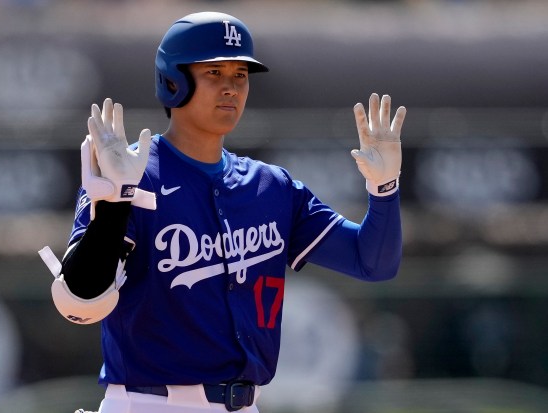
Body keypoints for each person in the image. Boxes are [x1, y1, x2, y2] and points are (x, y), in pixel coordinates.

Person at [39, 11, 406, 413]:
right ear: (173, 80)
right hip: (150, 404)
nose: (231, 88)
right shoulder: (130, 174)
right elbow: (79, 304)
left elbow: (372, 263)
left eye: (240, 76)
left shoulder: (272, 187)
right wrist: (114, 204)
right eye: (214, 73)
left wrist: (384, 189)